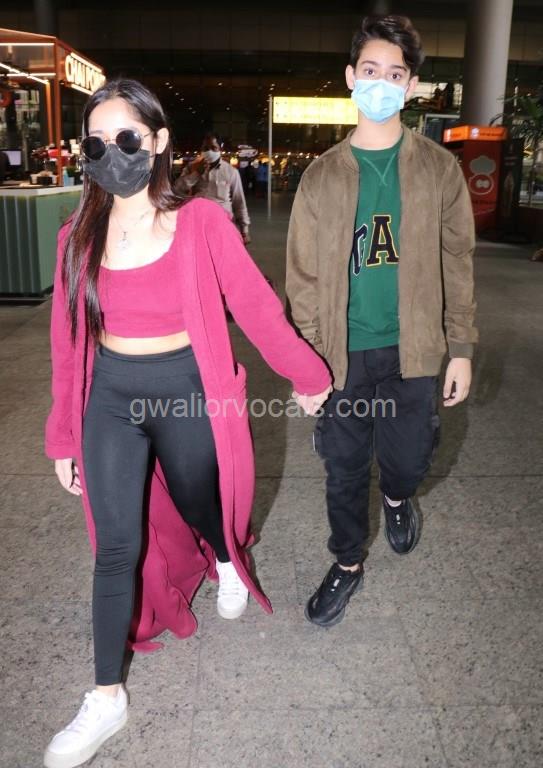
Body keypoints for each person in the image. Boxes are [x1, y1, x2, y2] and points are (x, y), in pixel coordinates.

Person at [43, 78, 331, 768]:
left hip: (186, 390)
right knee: (115, 545)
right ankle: (105, 697)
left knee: (203, 499)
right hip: (110, 399)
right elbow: (65, 343)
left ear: (160, 141)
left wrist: (308, 374)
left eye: (127, 138)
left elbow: (257, 308)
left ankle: (226, 556)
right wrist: (62, 435)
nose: (112, 154)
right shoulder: (74, 238)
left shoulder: (201, 223)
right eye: (96, 144)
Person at [286, 14, 477, 628]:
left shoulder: (438, 169)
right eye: (370, 70)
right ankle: (347, 562)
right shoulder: (322, 176)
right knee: (342, 469)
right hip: (342, 356)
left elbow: (457, 260)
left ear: (411, 86)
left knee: (408, 459)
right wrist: (309, 365)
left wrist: (462, 346)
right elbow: (302, 279)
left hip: (412, 350)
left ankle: (397, 497)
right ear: (350, 77)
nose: (381, 83)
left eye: (395, 74)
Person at [175, 133, 252, 243]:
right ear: (201, 149)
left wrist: (244, 230)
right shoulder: (191, 167)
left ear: (220, 149)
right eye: (206, 148)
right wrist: (196, 174)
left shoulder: (231, 172)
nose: (209, 151)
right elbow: (177, 189)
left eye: (213, 148)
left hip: (222, 225)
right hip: (197, 223)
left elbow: (239, 201)